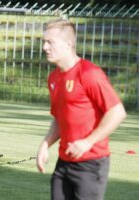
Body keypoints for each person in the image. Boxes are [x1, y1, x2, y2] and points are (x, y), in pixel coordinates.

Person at [36, 19, 127, 200]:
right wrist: (46, 144)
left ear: (68, 44)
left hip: (91, 164)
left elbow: (117, 112)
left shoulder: (89, 73)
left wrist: (88, 141)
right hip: (64, 162)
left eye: (50, 42)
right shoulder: (53, 78)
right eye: (44, 42)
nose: (45, 47)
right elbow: (60, 118)